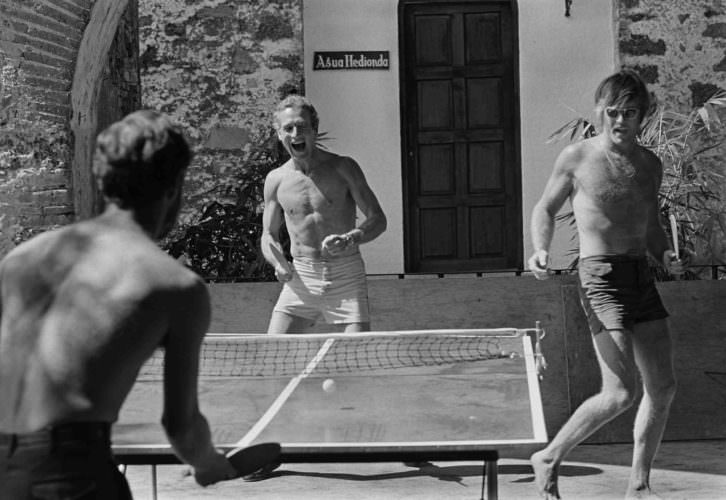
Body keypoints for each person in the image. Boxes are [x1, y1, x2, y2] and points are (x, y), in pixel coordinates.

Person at [0, 110, 240, 498]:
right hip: (71, 476)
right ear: (174, 187)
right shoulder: (175, 286)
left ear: (102, 181)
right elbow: (182, 427)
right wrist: (210, 464)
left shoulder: (22, 258)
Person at [527, 70, 689, 499]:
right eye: (612, 112)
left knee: (663, 387)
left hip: (640, 274)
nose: (619, 121)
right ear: (600, 112)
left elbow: (651, 226)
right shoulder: (577, 157)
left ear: (642, 116)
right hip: (599, 276)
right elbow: (544, 208)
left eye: (629, 113)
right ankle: (549, 455)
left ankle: (638, 484)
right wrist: (540, 250)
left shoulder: (649, 164)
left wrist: (666, 253)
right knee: (619, 393)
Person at [261, 95, 387, 334]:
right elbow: (268, 234)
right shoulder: (276, 180)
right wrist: (278, 263)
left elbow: (378, 218)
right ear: (279, 134)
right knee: (273, 352)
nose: (296, 133)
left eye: (302, 126)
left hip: (345, 275)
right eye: (288, 128)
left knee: (356, 357)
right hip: (301, 278)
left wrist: (350, 238)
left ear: (314, 130)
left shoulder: (343, 167)